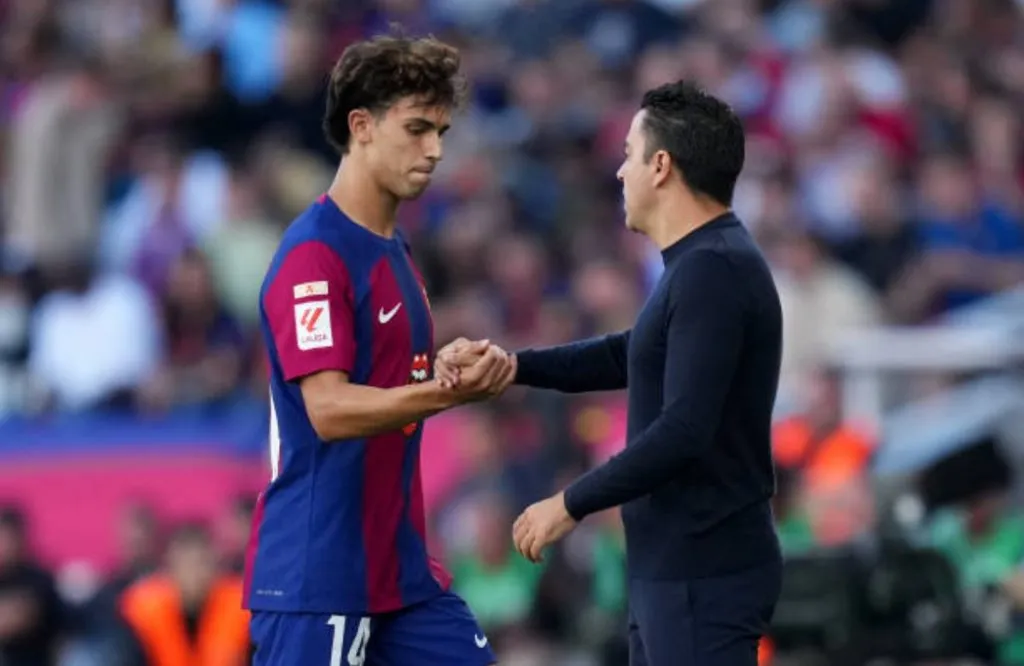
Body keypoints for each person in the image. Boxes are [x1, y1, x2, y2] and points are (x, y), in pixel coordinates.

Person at [437, 81, 784, 666]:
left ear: (662, 166)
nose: (620, 172)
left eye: (629, 154)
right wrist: (514, 366)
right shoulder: (696, 266)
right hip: (674, 571)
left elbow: (685, 429)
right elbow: (630, 353)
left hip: (703, 569)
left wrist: (569, 503)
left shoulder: (714, 270)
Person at [245, 32, 515, 666]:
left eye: (443, 131)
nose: (436, 150)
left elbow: (391, 374)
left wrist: (441, 363)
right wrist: (448, 393)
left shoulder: (394, 249)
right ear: (361, 126)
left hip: (399, 573)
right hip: (321, 574)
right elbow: (330, 410)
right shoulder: (315, 255)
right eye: (418, 128)